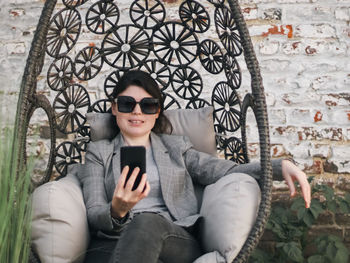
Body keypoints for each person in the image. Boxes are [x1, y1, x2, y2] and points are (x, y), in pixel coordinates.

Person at [80, 70, 311, 263]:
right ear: (114, 108)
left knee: (146, 221)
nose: (137, 112)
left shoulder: (176, 147)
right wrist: (117, 211)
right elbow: (93, 212)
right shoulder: (98, 153)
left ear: (157, 111)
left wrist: (279, 167)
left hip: (174, 239)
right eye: (127, 104)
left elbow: (226, 171)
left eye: (148, 105)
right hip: (114, 240)